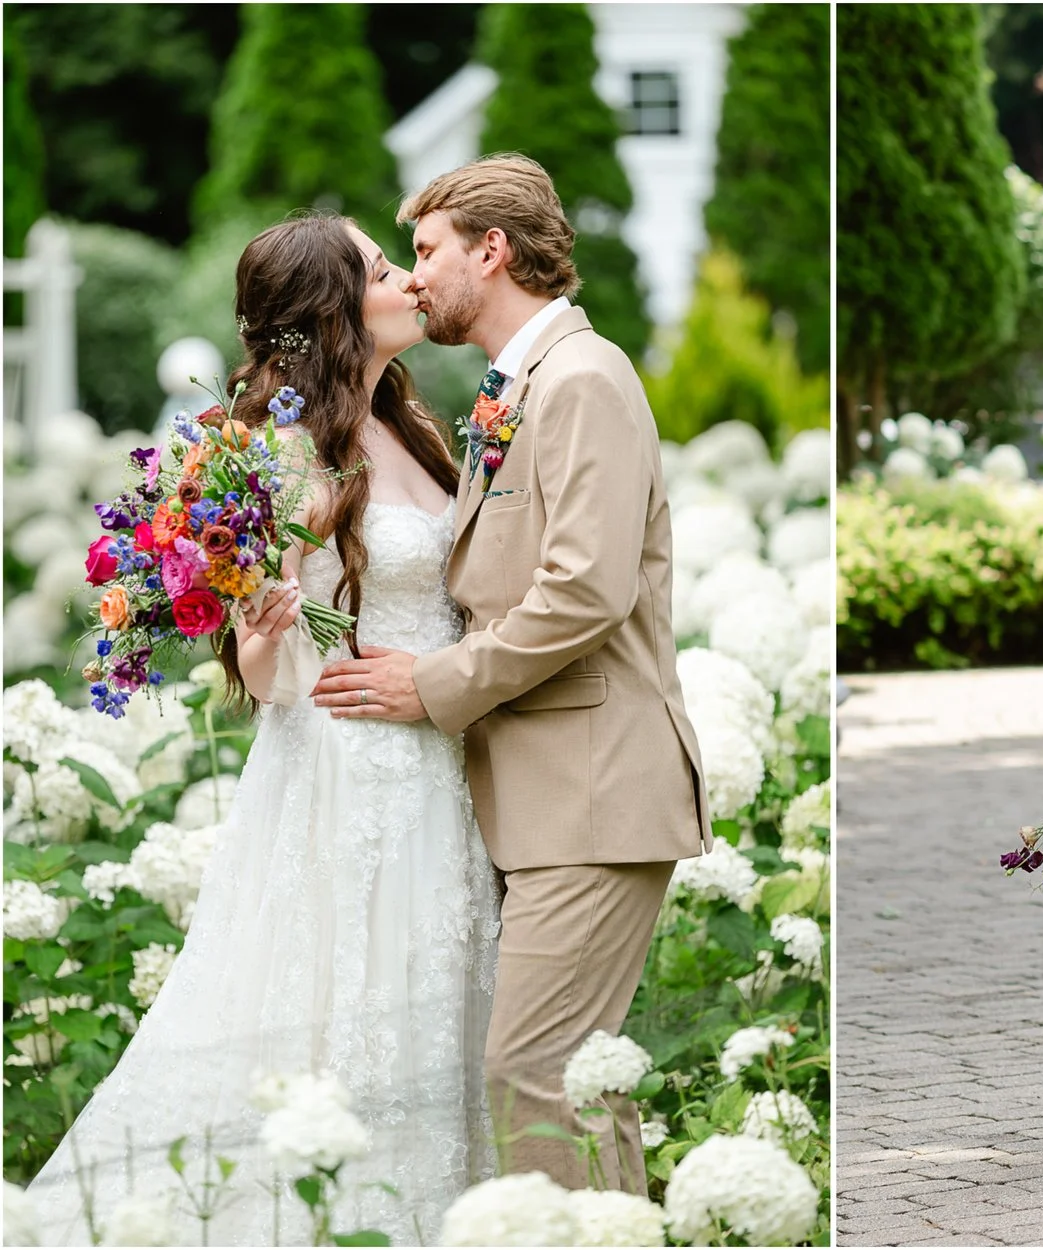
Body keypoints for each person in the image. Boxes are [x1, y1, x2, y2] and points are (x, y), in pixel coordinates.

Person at [19, 212, 495, 1244]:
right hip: (346, 761)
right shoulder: (275, 454)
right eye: (380, 267)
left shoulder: (411, 422)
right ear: (335, 312)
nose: (408, 278)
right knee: (343, 1012)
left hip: (435, 758)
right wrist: (270, 623)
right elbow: (272, 666)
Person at [310, 154, 710, 1193]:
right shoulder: (515, 387)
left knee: (533, 1073)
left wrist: (431, 684)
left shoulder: (583, 379)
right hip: (536, 791)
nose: (415, 274)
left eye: (430, 250)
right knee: (569, 1080)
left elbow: (583, 591)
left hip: (595, 786)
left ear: (493, 252)